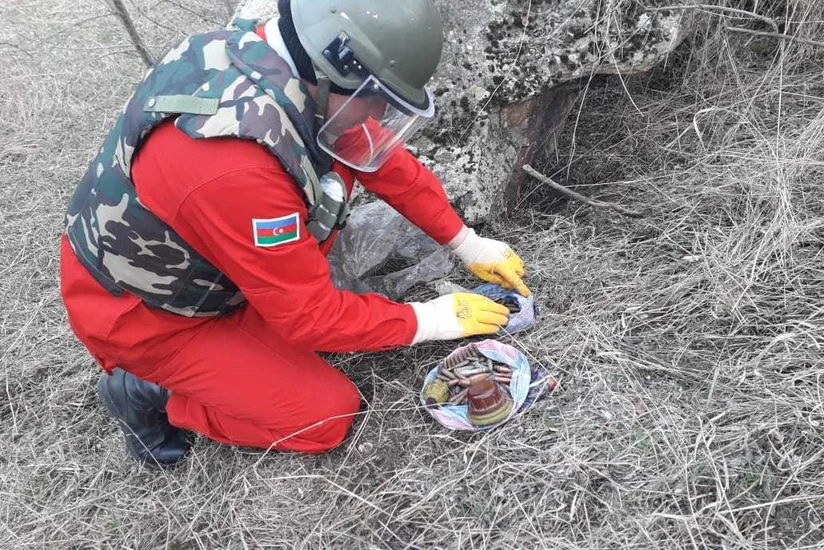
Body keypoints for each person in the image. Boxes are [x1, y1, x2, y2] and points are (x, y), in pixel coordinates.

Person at [59, 0, 531, 469]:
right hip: (148, 318)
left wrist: (466, 243)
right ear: (335, 69)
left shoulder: (283, 69)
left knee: (323, 297)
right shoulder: (235, 166)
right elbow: (309, 317)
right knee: (323, 414)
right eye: (378, 96)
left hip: (213, 266)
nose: (382, 110)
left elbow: (382, 160)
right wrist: (431, 321)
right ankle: (149, 391)